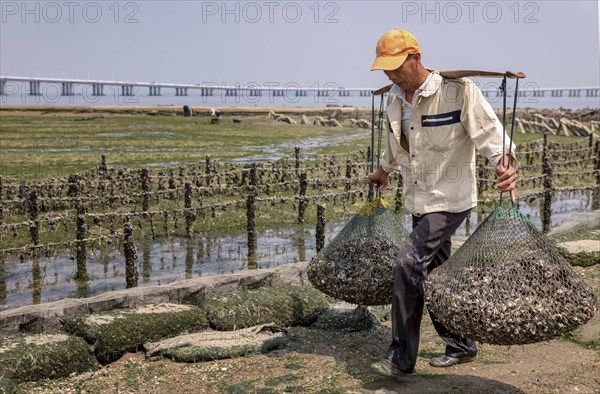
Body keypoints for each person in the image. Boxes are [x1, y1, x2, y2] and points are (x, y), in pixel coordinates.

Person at [367, 28, 518, 377]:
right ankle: (461, 343)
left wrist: (504, 162)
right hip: (418, 199)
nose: (391, 74)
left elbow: (490, 133)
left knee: (408, 263)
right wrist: (383, 170)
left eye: (395, 66)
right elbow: (395, 142)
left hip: (450, 198)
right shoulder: (393, 99)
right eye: (385, 69)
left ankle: (400, 358)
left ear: (415, 58)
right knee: (435, 271)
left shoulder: (457, 91)